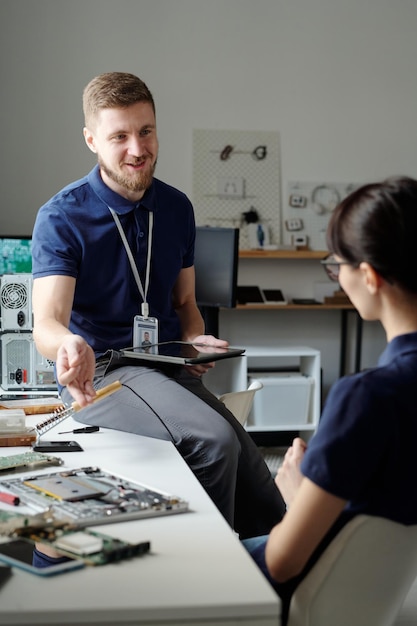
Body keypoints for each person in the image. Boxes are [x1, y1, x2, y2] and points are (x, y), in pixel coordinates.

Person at [31, 72, 285, 541]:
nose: (137, 148)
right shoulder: (62, 216)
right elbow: (47, 321)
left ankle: (268, 581)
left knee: (257, 479)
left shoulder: (177, 208)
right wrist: (68, 345)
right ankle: (206, 566)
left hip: (164, 366)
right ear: (91, 139)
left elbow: (185, 301)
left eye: (145, 131)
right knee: (215, 441)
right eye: (119, 136)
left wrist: (194, 339)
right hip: (102, 374)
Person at [242, 176, 417, 624]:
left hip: (302, 591)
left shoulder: (367, 397)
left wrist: (295, 495)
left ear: (370, 275)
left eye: (336, 263)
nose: (336, 273)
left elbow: (283, 563)